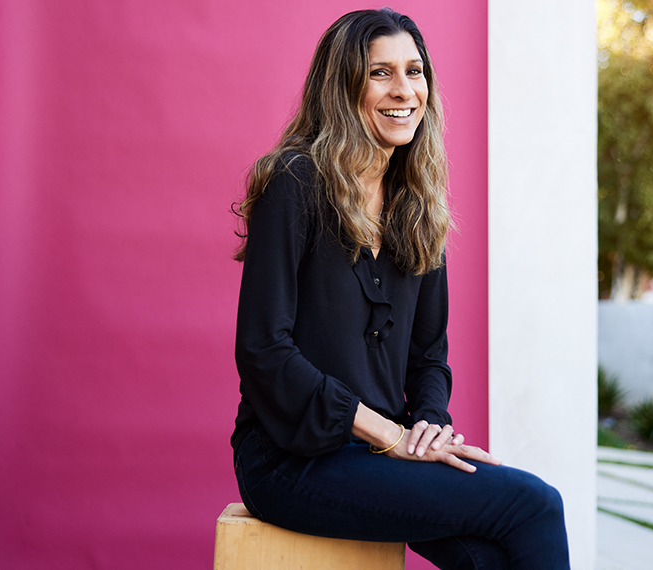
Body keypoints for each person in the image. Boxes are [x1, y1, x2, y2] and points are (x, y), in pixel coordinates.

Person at [231, 8, 570, 569]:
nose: (405, 90)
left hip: (382, 455)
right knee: (535, 505)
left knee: (490, 556)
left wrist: (430, 430)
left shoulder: (417, 205)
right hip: (289, 459)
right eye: (380, 73)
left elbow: (428, 358)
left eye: (415, 72)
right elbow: (264, 351)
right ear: (343, 87)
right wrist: (388, 434)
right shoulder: (294, 181)